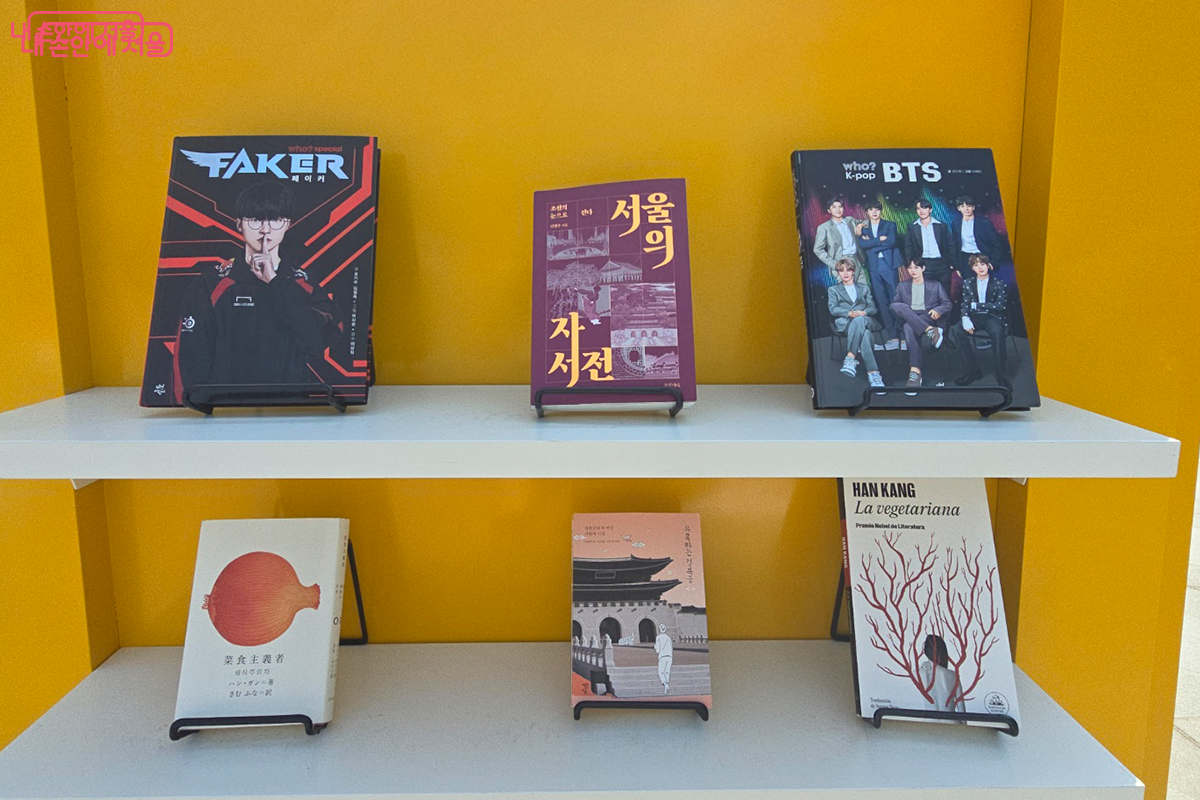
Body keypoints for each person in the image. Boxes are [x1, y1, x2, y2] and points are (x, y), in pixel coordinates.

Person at [174, 182, 342, 403]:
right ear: (239, 224)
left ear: (287, 225)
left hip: (292, 407)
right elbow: (191, 354)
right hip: (227, 408)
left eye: (275, 220)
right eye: (255, 220)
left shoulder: (305, 283)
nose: (265, 229)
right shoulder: (211, 283)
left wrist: (275, 282)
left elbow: (318, 344)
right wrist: (200, 403)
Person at [950, 254, 1010, 387]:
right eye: (976, 265)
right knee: (956, 330)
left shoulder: (999, 283)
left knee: (997, 331)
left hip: (993, 317)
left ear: (988, 266)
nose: (980, 268)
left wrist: (977, 305)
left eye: (982, 264)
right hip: (975, 317)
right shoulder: (968, 283)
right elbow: (965, 304)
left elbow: (1000, 306)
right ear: (972, 268)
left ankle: (1001, 375)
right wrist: (965, 317)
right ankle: (972, 371)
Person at [890, 259, 952, 388]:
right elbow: (896, 307)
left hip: (927, 315)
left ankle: (915, 372)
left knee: (908, 327)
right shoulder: (902, 286)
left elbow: (947, 304)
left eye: (916, 268)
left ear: (923, 269)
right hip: (910, 314)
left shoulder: (935, 285)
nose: (913, 271)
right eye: (910, 268)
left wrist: (938, 310)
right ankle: (930, 331)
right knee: (896, 306)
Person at [827, 258, 884, 388]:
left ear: (853, 271)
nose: (845, 273)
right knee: (865, 335)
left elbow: (873, 308)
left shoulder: (864, 288)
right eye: (842, 270)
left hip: (866, 319)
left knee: (859, 320)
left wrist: (863, 313)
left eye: (848, 270)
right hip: (846, 323)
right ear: (838, 273)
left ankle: (850, 357)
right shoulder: (833, 290)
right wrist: (848, 313)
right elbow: (833, 309)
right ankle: (873, 374)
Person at [857, 201, 903, 350]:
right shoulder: (863, 228)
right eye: (871, 209)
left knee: (895, 299)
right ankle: (892, 337)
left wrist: (872, 245)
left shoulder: (890, 225)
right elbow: (862, 245)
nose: (874, 212)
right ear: (867, 212)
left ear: (880, 211)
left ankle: (903, 336)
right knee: (881, 301)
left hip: (889, 265)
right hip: (874, 267)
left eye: (877, 209)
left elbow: (892, 242)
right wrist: (878, 240)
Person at [903, 199, 955, 300]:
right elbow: (908, 247)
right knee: (927, 296)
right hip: (923, 264)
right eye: (918, 208)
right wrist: (913, 265)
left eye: (924, 208)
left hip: (942, 264)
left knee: (945, 295)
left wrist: (951, 264)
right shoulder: (912, 226)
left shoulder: (941, 225)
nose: (921, 211)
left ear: (930, 210)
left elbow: (950, 245)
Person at [814, 198, 868, 287]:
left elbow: (869, 222)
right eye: (834, 207)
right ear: (829, 210)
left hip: (856, 259)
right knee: (850, 292)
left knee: (865, 289)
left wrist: (860, 225)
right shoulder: (824, 227)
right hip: (841, 261)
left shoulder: (850, 220)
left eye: (840, 207)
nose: (838, 209)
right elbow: (817, 249)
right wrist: (835, 264)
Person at [950, 195, 1007, 278]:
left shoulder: (984, 223)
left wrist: (993, 262)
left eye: (968, 206)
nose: (966, 209)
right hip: (965, 259)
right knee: (969, 284)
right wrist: (957, 267)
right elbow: (955, 246)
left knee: (985, 284)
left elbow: (996, 244)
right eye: (962, 206)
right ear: (959, 208)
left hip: (982, 256)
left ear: (973, 207)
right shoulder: (956, 224)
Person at [919, 634, 966, 713]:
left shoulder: (918, 673)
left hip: (929, 720)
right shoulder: (953, 675)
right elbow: (962, 710)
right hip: (951, 720)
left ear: (925, 651)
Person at [654, 623, 674, 694]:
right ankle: (667, 683)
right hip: (669, 656)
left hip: (662, 656)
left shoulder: (658, 637)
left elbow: (657, 650)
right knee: (667, 671)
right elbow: (671, 648)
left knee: (661, 672)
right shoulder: (668, 637)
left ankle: (665, 684)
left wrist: (655, 646)